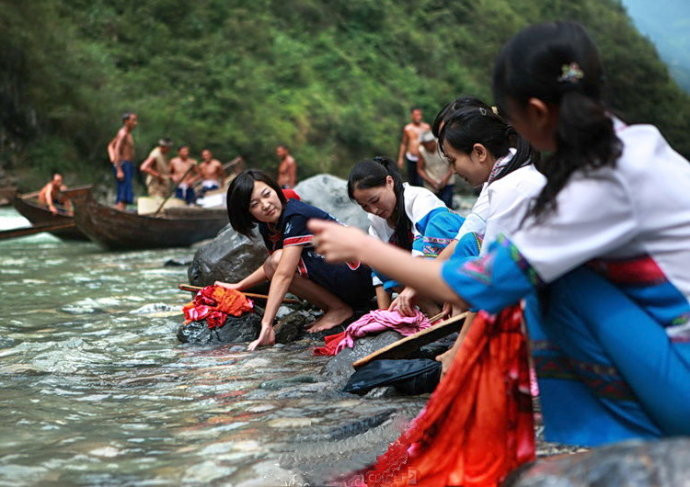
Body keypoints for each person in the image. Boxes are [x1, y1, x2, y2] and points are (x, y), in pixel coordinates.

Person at [310, 21, 690, 446]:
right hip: (667, 342)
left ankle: (614, 442)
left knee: (553, 287)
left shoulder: (596, 184)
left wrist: (363, 248)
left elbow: (482, 284)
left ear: (539, 112)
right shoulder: (634, 143)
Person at [216, 170, 374, 350]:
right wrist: (240, 286)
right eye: (255, 204)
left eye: (267, 195)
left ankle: (339, 309)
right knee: (273, 263)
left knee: (279, 262)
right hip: (339, 274)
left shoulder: (295, 215)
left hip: (358, 275)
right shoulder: (268, 225)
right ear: (247, 212)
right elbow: (271, 268)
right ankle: (336, 307)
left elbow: (283, 273)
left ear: (276, 189)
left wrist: (266, 325)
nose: (266, 205)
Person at [347, 157, 464, 315]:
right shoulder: (376, 223)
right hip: (426, 282)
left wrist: (411, 289)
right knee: (373, 256)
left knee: (438, 224)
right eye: (365, 206)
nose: (373, 210)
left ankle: (458, 302)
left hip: (458, 266)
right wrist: (384, 315)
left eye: (375, 200)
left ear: (390, 182)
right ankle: (433, 313)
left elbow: (422, 253)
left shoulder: (419, 198)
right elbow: (378, 272)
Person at [108, 112, 138, 211]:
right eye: (133, 120)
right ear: (126, 121)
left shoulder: (128, 134)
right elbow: (116, 149)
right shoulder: (123, 133)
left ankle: (122, 210)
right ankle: (119, 210)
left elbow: (110, 145)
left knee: (126, 192)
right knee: (123, 192)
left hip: (128, 165)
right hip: (123, 165)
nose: (135, 123)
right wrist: (119, 169)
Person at [417, 131, 455, 208]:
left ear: (433, 141)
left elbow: (453, 164)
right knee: (433, 207)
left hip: (447, 182)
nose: (426, 146)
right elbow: (420, 169)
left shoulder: (443, 146)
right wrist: (431, 181)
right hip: (430, 184)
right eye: (424, 144)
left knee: (447, 206)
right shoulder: (421, 151)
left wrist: (445, 179)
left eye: (429, 143)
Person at [396, 108, 431, 187]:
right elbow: (404, 144)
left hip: (423, 158)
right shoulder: (407, 128)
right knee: (412, 181)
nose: (418, 117)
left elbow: (431, 143)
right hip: (411, 158)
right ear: (412, 116)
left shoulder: (426, 127)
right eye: (416, 115)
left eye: (420, 115)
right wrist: (401, 158)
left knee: (421, 181)